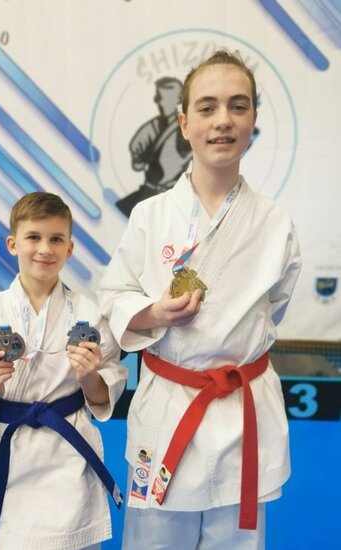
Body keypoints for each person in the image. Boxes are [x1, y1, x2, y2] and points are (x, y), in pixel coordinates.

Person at [98, 49, 301, 549]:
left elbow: (274, 305)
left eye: (238, 106)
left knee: (236, 539)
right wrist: (153, 312)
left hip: (242, 413)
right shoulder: (150, 215)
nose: (223, 120)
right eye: (207, 108)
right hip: (169, 407)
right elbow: (115, 295)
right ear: (184, 123)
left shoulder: (275, 221)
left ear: (253, 120)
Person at [0, 192, 127, 550]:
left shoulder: (89, 314)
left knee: (74, 541)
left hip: (70, 455)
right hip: (14, 457)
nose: (45, 249)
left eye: (56, 239)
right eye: (33, 237)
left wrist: (89, 378)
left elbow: (107, 391)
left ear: (70, 248)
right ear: (13, 244)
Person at [115, 77, 192, 217]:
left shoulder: (186, 131)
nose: (157, 101)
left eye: (161, 97)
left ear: (176, 100)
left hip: (172, 197)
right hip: (148, 193)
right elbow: (136, 150)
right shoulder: (153, 127)